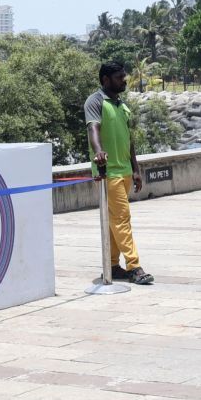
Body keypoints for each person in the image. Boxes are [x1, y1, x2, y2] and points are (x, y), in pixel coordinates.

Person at [84, 61, 152, 285]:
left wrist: (136, 169)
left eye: (124, 76)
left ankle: (113, 266)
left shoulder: (121, 104)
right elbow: (93, 128)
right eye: (119, 77)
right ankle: (135, 267)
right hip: (108, 172)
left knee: (115, 220)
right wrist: (98, 150)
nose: (124, 80)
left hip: (125, 170)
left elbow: (128, 139)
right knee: (122, 218)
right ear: (105, 79)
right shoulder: (95, 101)